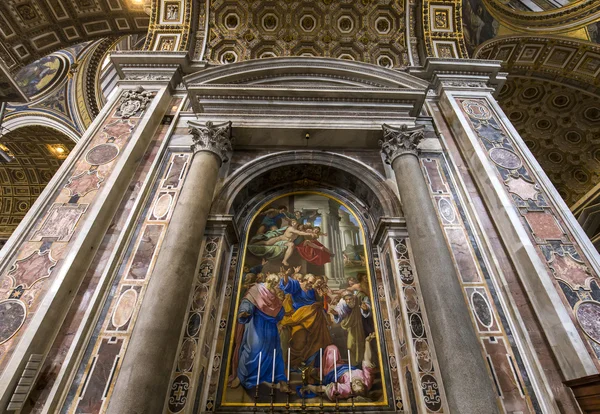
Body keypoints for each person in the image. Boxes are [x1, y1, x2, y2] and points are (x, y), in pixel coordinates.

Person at [229, 274, 287, 389]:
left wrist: (280, 312)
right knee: (252, 349)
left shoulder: (274, 294)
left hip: (270, 327)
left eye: (275, 283)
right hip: (256, 323)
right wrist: (244, 312)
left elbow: (279, 310)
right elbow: (247, 302)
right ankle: (241, 377)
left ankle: (279, 379)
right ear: (267, 280)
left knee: (274, 351)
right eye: (272, 282)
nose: (273, 285)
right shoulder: (256, 289)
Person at [279, 268, 332, 367]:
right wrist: (286, 276)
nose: (311, 285)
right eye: (310, 283)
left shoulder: (312, 291)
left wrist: (321, 297)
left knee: (315, 340)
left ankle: (309, 363)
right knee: (299, 340)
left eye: (313, 283)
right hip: (298, 319)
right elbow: (287, 285)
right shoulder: (297, 286)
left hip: (312, 320)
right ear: (304, 280)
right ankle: (292, 362)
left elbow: (319, 305)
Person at [304, 333, 377, 401]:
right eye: (358, 383)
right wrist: (367, 342)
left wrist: (309, 387)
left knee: (332, 349)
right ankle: (320, 369)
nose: (354, 382)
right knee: (332, 352)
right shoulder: (367, 381)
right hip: (343, 365)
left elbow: (322, 389)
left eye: (354, 386)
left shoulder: (347, 389)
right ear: (364, 385)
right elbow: (367, 360)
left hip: (332, 371)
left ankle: (321, 370)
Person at [329, 291, 372, 363]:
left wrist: (366, 309)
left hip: (363, 326)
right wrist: (336, 314)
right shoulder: (343, 304)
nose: (348, 301)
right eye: (347, 300)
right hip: (350, 328)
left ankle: (360, 363)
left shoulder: (359, 299)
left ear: (353, 298)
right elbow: (339, 312)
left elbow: (367, 306)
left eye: (350, 299)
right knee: (351, 346)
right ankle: (353, 363)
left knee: (361, 345)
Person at [249, 220, 314, 265]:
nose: (300, 228)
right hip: (279, 239)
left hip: (285, 242)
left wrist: (311, 231)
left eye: (301, 228)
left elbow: (304, 231)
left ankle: (284, 260)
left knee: (291, 244)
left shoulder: (298, 232)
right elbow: (300, 232)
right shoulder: (291, 228)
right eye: (293, 223)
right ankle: (253, 244)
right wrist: (308, 234)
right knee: (267, 243)